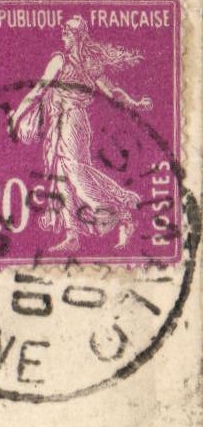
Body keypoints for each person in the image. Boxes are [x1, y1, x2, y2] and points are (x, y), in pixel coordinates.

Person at [9, 17, 152, 254]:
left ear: (76, 36)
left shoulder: (71, 62)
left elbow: (38, 92)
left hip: (72, 121)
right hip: (62, 122)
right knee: (62, 174)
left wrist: (16, 117)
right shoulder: (78, 61)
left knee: (76, 172)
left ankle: (121, 212)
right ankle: (72, 233)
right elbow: (41, 91)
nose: (63, 36)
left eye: (66, 33)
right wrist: (133, 101)